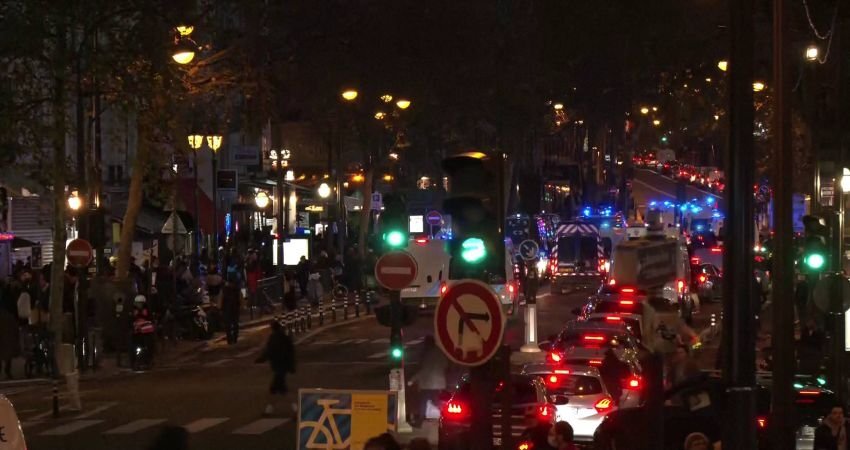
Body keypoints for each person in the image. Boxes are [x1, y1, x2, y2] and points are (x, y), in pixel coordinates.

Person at [256, 320, 295, 415]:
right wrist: (291, 366)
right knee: (278, 390)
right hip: (284, 367)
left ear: (272, 328)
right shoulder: (285, 337)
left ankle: (296, 409)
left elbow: (269, 351)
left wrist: (260, 359)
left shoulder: (273, 338)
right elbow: (291, 352)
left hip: (278, 367)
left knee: (279, 390)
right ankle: (269, 409)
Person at [407, 335, 449, 426]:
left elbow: (424, 370)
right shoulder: (441, 352)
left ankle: (420, 421)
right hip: (439, 384)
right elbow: (446, 365)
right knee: (437, 402)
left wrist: (412, 380)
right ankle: (446, 418)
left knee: (423, 402)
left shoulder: (427, 354)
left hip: (428, 384)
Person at [0, 278, 20, 379]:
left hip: (4, 320)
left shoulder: (5, 295)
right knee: (8, 344)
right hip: (9, 321)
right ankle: (7, 369)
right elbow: (14, 308)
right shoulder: (9, 294)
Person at [221, 275, 242, 345]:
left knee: (231, 325)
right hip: (231, 309)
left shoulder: (225, 290)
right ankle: (232, 339)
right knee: (231, 325)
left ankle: (232, 339)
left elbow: (221, 299)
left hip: (230, 309)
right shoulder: (235, 289)